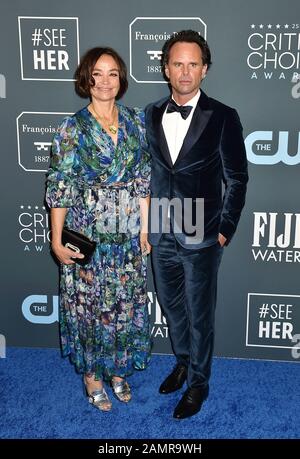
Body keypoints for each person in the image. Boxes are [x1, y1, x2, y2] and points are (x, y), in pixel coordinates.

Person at [145, 30, 248, 419]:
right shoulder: (150, 114)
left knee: (199, 314)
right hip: (160, 231)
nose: (185, 72)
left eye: (193, 64)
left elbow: (236, 177)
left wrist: (225, 228)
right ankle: (184, 362)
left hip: (202, 233)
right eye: (177, 64)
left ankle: (199, 383)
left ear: (204, 70)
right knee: (172, 309)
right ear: (166, 68)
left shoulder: (223, 116)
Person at [46, 47, 152, 412]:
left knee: (125, 303)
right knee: (91, 308)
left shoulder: (137, 121)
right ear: (86, 79)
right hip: (88, 234)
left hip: (127, 233)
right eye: (97, 73)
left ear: (121, 79)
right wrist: (55, 238)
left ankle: (119, 370)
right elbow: (59, 186)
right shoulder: (72, 128)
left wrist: (144, 230)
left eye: (113, 73)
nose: (106, 81)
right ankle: (92, 375)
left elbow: (141, 179)